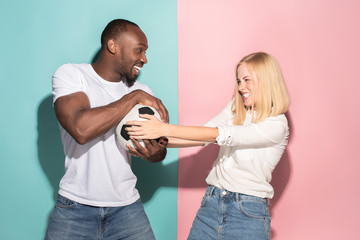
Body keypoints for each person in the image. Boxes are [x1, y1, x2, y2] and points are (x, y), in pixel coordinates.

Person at [126, 52, 290, 240]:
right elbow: (204, 135)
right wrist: (153, 142)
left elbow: (222, 135)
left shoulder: (277, 125)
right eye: (238, 81)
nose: (241, 87)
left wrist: (163, 128)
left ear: (267, 81)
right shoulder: (236, 109)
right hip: (211, 205)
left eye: (247, 80)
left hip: (248, 213)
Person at [45, 19, 169, 240]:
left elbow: (160, 150)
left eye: (146, 52)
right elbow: (80, 128)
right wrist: (133, 99)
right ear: (113, 46)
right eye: (139, 50)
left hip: (128, 209)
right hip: (74, 209)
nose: (144, 59)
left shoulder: (143, 91)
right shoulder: (73, 75)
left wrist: (156, 153)